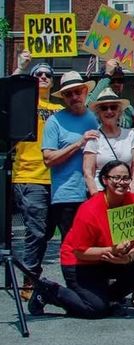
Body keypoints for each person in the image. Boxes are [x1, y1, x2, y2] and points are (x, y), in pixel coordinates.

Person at [26, 160, 134, 318]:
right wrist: (111, 251)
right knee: (95, 310)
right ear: (105, 180)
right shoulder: (89, 209)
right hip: (80, 262)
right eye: (116, 178)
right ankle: (49, 291)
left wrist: (129, 258)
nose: (121, 182)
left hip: (112, 259)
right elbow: (79, 252)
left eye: (126, 178)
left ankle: (110, 299)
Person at [82, 87, 134, 311]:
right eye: (104, 108)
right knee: (107, 245)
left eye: (113, 107)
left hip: (128, 195)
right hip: (103, 197)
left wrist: (132, 194)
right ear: (99, 113)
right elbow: (88, 172)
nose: (109, 111)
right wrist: (98, 199)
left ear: (120, 111)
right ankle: (107, 292)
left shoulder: (129, 134)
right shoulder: (94, 138)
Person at [10, 55, 63, 298]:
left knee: (46, 232)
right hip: (29, 176)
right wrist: (21, 67)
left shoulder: (59, 110)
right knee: (37, 231)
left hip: (57, 179)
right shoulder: (23, 103)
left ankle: (31, 273)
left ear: (53, 81)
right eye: (38, 74)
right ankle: (29, 281)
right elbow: (8, 93)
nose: (43, 77)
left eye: (47, 75)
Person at [42, 71, 99, 238]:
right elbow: (48, 159)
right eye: (68, 94)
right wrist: (79, 143)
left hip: (95, 191)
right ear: (63, 98)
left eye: (77, 92)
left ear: (85, 91)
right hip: (67, 195)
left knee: (95, 242)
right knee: (71, 245)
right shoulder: (54, 121)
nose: (74, 97)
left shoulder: (97, 118)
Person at [86, 59, 134, 128]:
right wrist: (108, 74)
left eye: (120, 80)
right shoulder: (90, 98)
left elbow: (129, 126)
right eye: (112, 80)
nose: (116, 84)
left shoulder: (128, 108)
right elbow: (89, 110)